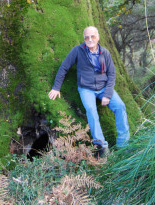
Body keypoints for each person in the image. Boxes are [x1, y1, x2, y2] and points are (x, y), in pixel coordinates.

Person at [48, 26, 130, 157]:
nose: (90, 39)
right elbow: (64, 67)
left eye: (92, 36)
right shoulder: (78, 51)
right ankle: (101, 146)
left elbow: (112, 75)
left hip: (104, 87)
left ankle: (123, 144)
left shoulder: (105, 53)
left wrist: (107, 95)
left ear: (98, 37)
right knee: (91, 110)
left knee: (120, 106)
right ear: (84, 38)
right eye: (87, 37)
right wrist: (56, 87)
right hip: (86, 89)